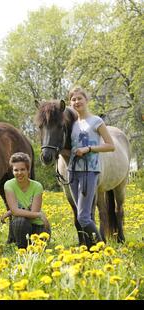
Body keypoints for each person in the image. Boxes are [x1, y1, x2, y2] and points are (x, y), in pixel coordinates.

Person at [67, 86, 115, 248]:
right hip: (72, 172)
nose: (76, 102)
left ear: (86, 100)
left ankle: (101, 248)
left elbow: (110, 145)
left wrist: (89, 149)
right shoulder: (72, 124)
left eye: (79, 98)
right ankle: (91, 250)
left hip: (89, 171)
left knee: (83, 217)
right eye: (73, 99)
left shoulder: (96, 121)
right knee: (85, 215)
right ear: (70, 103)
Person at [1, 152, 51, 249]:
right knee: (20, 221)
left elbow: (33, 212)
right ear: (12, 171)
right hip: (21, 224)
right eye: (16, 170)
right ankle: (22, 249)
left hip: (38, 225)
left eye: (23, 169)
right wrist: (39, 214)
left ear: (28, 170)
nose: (19, 173)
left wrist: (13, 211)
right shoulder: (9, 185)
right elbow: (19, 212)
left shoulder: (37, 186)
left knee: (39, 249)